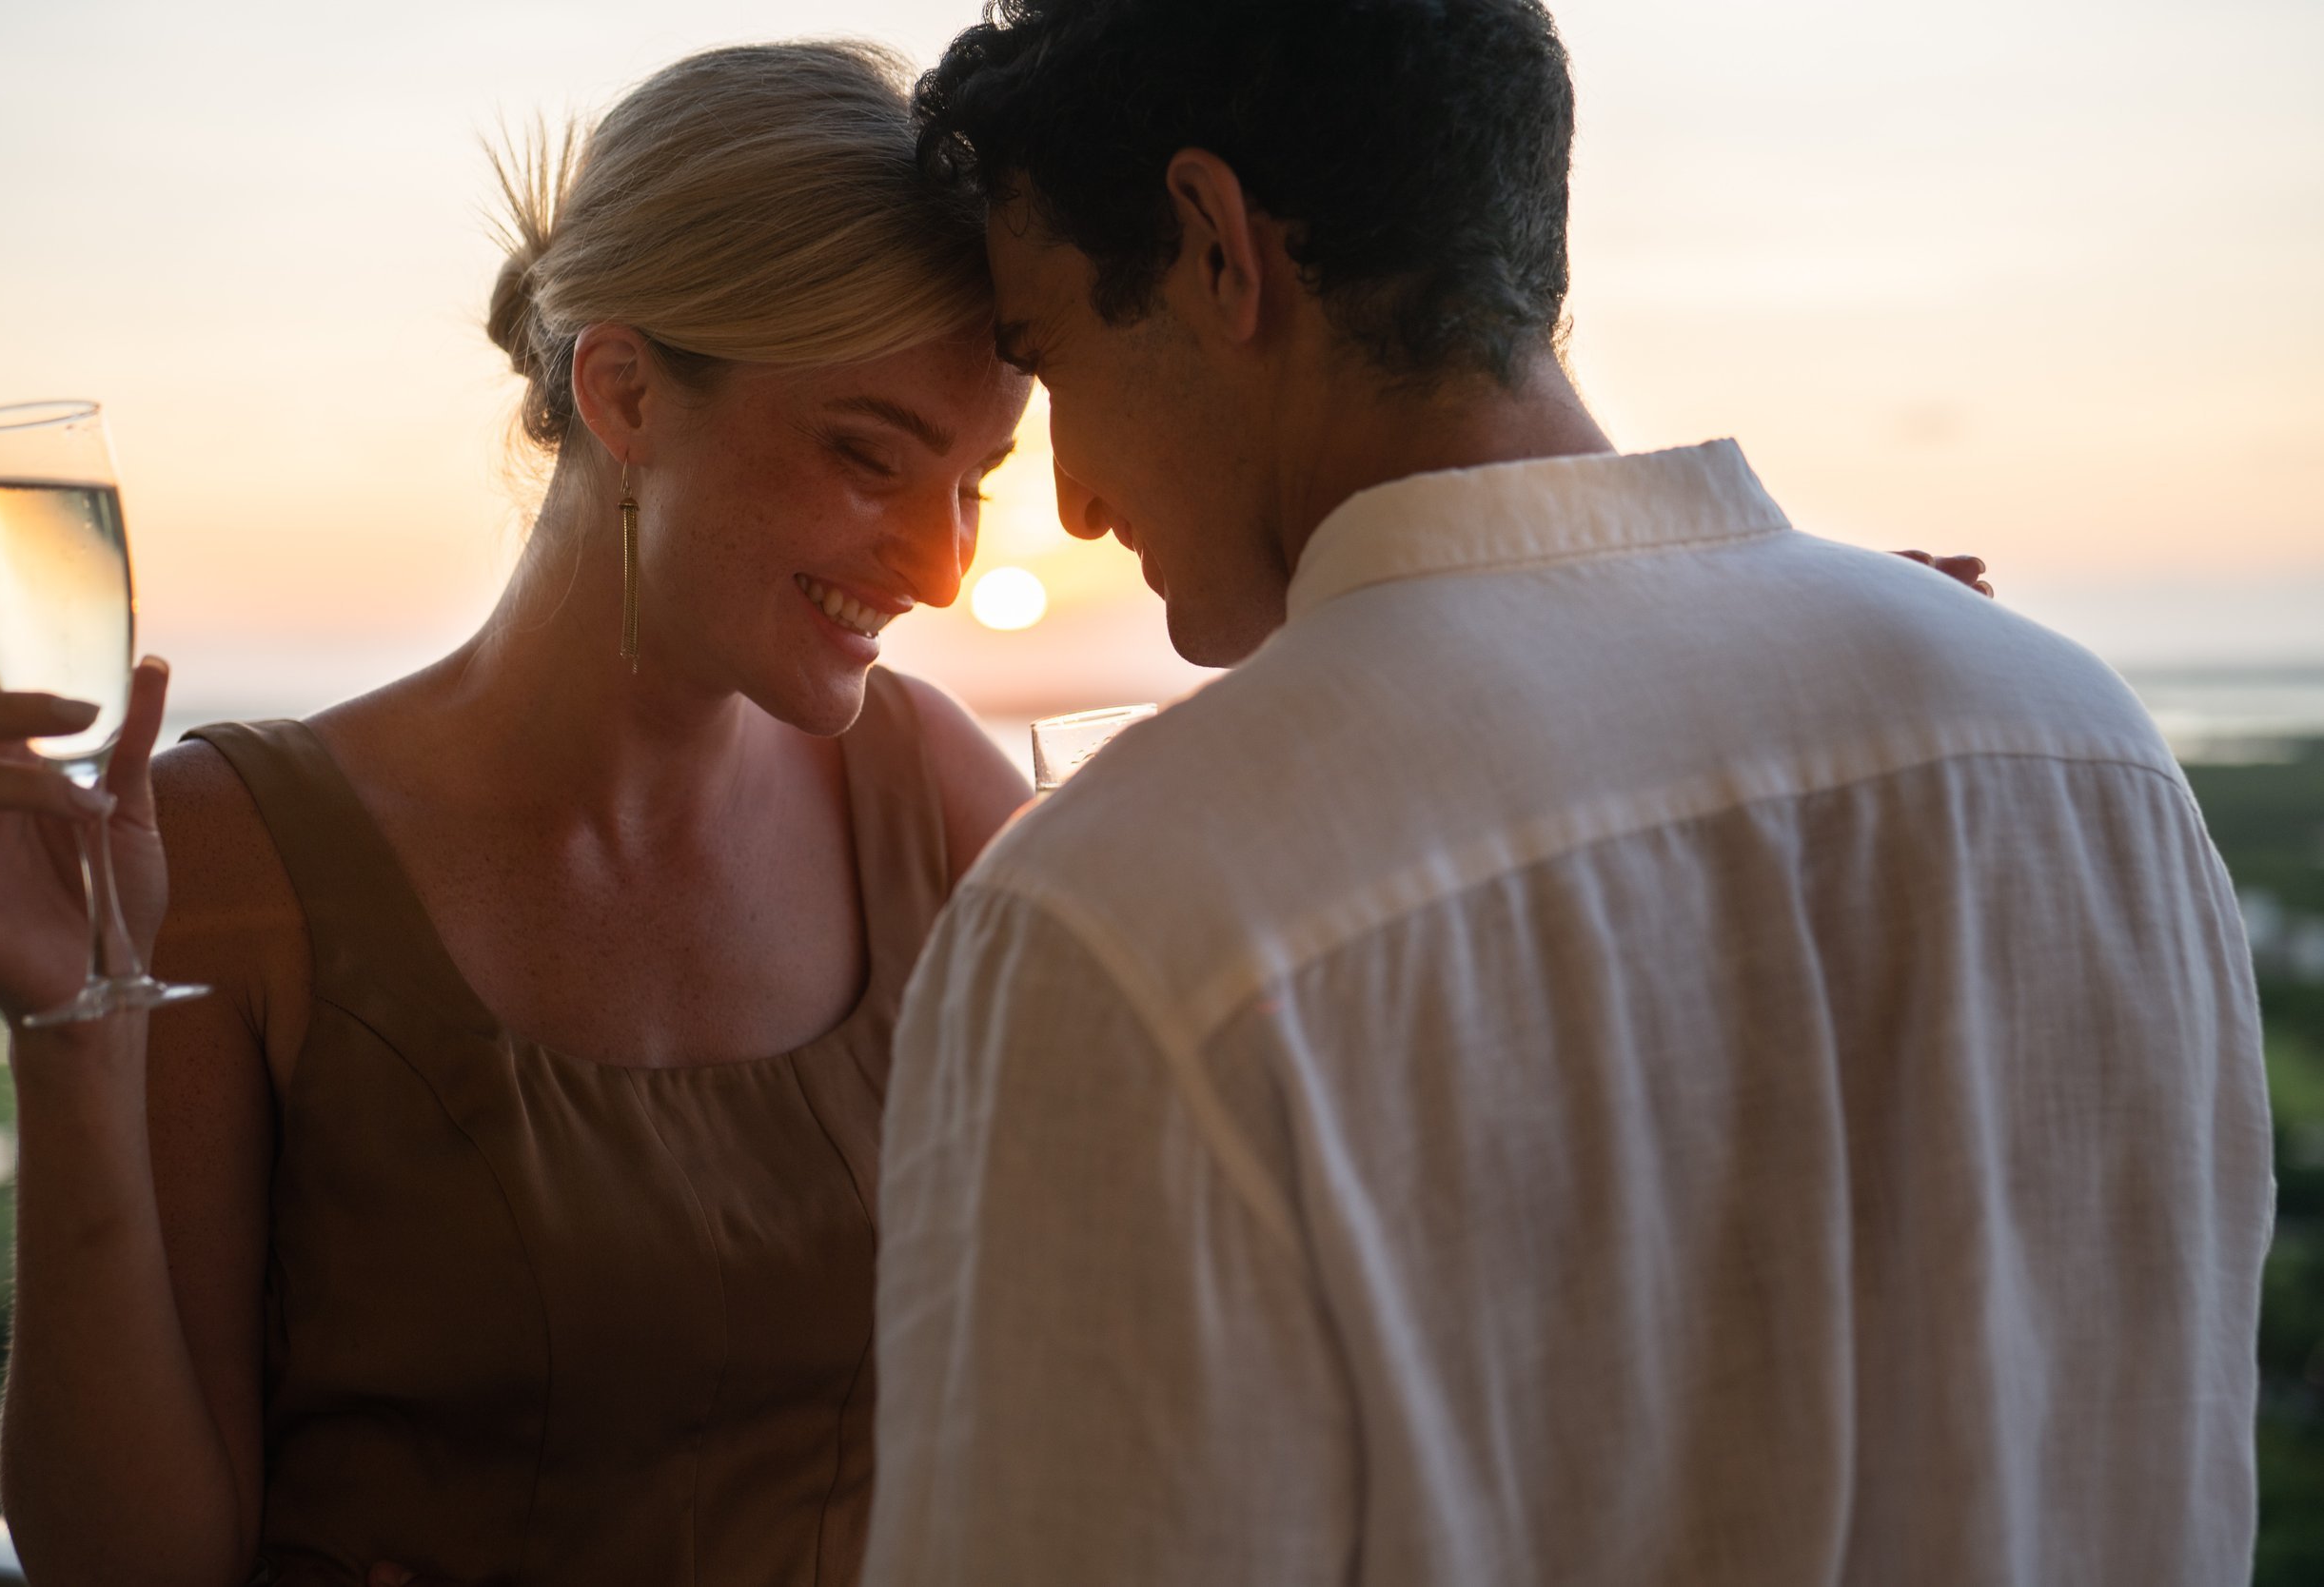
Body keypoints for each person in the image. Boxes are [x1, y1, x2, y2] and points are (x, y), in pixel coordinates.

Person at [863, 2, 2274, 1583]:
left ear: (1212, 246)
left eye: (1052, 358)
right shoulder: (2087, 758)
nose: (1074, 492)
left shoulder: (1129, 926)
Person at [0, 41, 1033, 1587]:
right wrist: (71, 1032)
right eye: (870, 457)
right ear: (627, 389)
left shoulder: (934, 798)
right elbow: (135, 1564)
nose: (937, 564)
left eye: (978, 482)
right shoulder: (232, 864)